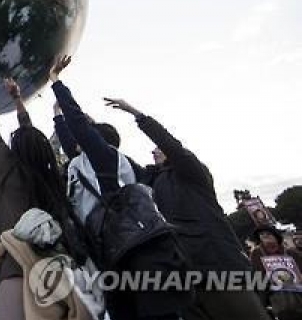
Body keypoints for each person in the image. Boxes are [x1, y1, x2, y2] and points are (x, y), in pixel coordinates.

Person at [49, 56, 192, 320]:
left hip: (136, 251)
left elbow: (78, 126)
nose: (76, 142)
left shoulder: (104, 157)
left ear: (97, 140)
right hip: (112, 254)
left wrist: (56, 81)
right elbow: (72, 139)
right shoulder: (86, 163)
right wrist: (57, 116)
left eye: (88, 137)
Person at [104, 97, 270, 320]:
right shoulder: (152, 181)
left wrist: (137, 114)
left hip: (219, 269)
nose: (154, 152)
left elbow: (171, 144)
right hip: (184, 276)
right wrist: (92, 132)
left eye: (158, 149)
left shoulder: (194, 174)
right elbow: (111, 158)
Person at [0, 74, 81, 319]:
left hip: (16, 269)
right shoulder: (50, 179)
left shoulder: (9, 170)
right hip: (56, 273)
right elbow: (30, 137)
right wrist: (17, 99)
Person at [250, 226, 302, 320]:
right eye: (262, 235)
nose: (265, 236)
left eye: (268, 234)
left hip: (298, 292)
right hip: (277, 297)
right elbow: (257, 276)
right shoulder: (256, 254)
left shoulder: (290, 252)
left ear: (275, 236)